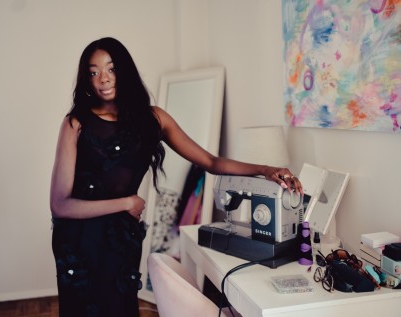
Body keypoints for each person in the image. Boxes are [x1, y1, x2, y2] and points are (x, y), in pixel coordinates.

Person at [49, 37, 303, 317]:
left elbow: (210, 161)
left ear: (124, 71)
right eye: (94, 72)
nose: (103, 79)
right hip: (80, 240)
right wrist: (125, 203)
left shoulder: (153, 119)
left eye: (110, 69)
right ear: (86, 79)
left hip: (121, 239)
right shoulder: (76, 123)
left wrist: (265, 169)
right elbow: (60, 205)